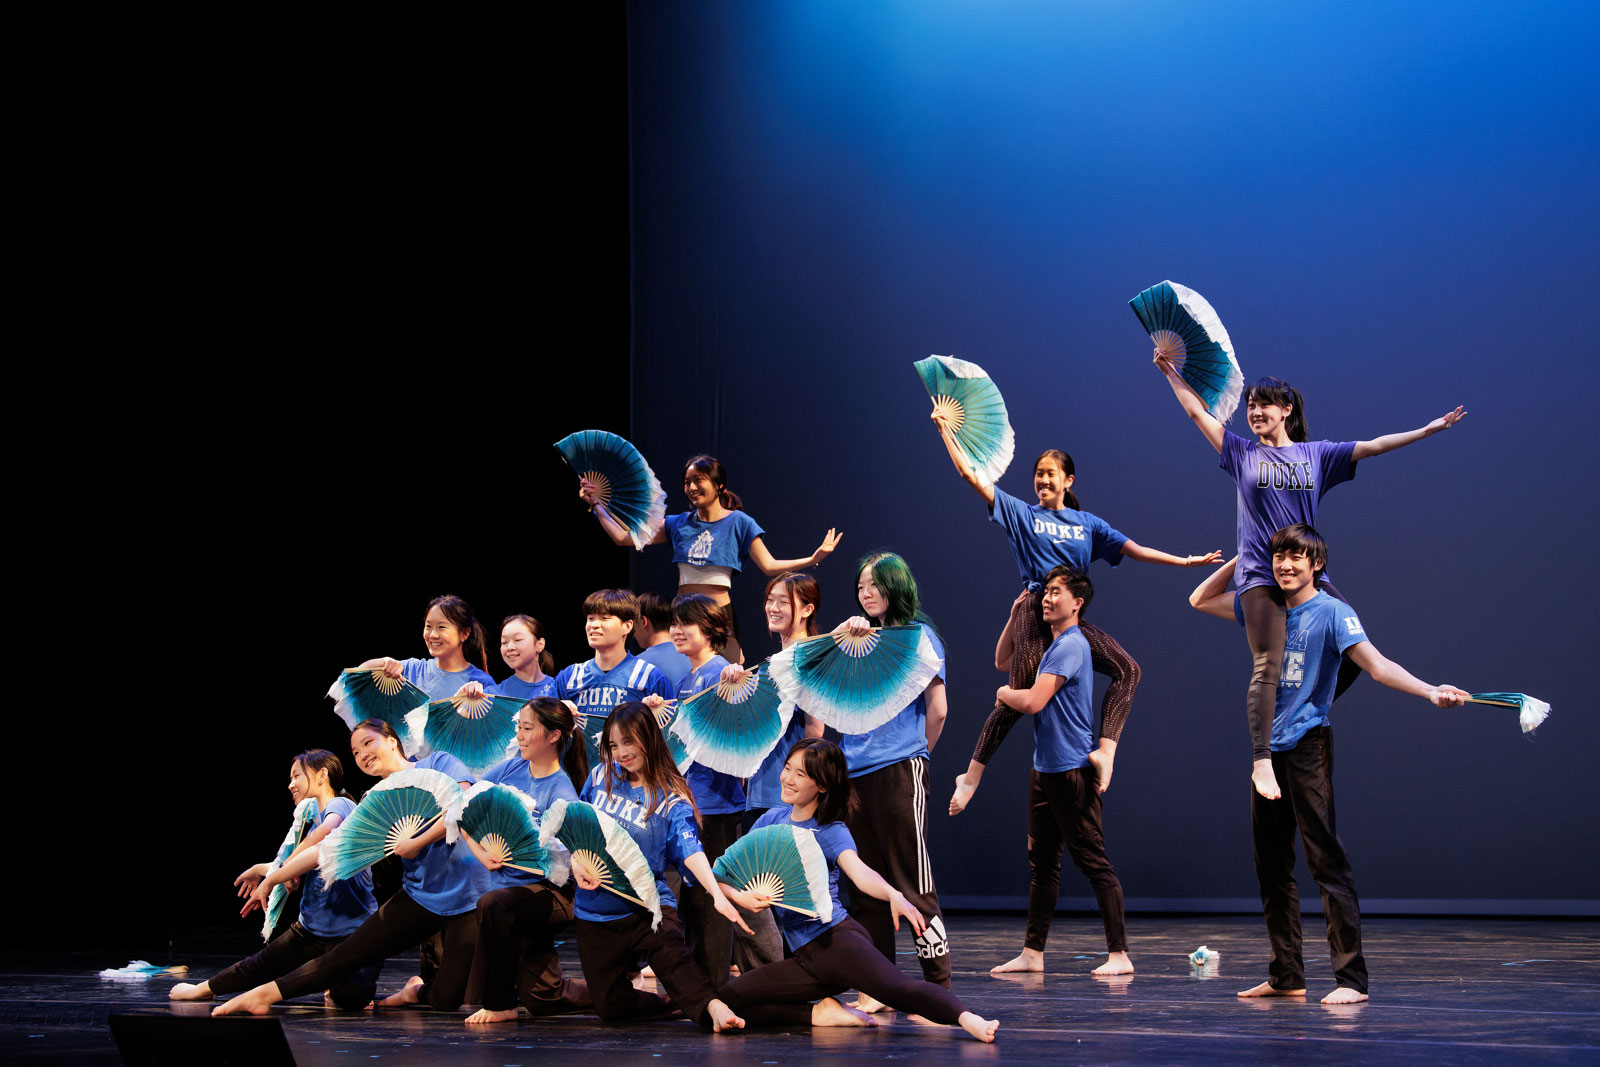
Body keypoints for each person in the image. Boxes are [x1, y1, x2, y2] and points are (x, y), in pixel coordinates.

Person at [1154, 357, 1465, 799]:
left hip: (1306, 573)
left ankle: (1297, 707)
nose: (1256, 412)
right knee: (1267, 662)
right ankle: (1262, 761)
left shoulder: (1315, 455)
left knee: (1355, 647)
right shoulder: (1242, 452)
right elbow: (1195, 412)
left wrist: (1427, 430)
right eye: (1250, 406)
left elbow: (1373, 446)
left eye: (1265, 405)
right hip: (1262, 575)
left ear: (1286, 411)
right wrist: (1170, 372)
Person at [1190, 524, 1467, 1004]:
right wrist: (1245, 553)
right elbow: (1199, 598)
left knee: (1326, 862)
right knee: (1271, 866)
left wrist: (1430, 691)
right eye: (1278, 555)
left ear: (1317, 564)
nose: (1285, 565)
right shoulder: (1263, 607)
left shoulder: (1334, 613)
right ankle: (1286, 975)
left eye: (1297, 556)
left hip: (1307, 746)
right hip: (1266, 753)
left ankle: (1351, 981)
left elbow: (1379, 666)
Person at [934, 430, 1222, 817]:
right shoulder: (1023, 513)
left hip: (1072, 616)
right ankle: (970, 776)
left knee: (1128, 669)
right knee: (1019, 693)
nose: (1043, 480)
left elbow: (1134, 550)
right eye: (1038, 473)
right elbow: (972, 477)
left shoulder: (1087, 523)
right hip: (1037, 611)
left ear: (1068, 481)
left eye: (1051, 473)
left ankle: (1105, 750)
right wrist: (947, 432)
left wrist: (1184, 562)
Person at [716, 739, 999, 1043]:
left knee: (897, 989)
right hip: (805, 959)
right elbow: (722, 874)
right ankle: (818, 1015)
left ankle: (969, 1019)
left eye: (800, 774)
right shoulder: (770, 821)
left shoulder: (829, 829)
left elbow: (859, 872)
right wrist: (738, 896)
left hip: (838, 943)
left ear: (822, 785)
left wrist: (893, 894)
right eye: (787, 768)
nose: (787, 778)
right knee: (725, 1003)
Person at [212, 721, 488, 1016]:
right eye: (356, 752)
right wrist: (274, 876)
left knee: (449, 999)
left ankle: (415, 991)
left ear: (392, 741)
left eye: (368, 743)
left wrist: (418, 841)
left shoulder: (439, 762)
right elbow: (329, 847)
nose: (362, 754)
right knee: (350, 952)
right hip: (421, 895)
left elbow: (464, 804)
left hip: (468, 895)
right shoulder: (375, 798)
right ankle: (265, 994)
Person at [571, 703, 749, 1031]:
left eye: (629, 741)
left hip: (646, 907)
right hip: (595, 911)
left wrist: (716, 894)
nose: (621, 752)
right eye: (613, 745)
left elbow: (690, 850)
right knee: (610, 1007)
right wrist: (575, 859)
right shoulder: (600, 776)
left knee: (674, 960)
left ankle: (713, 1007)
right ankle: (672, 1005)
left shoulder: (671, 797)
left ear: (649, 738)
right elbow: (578, 826)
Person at [991, 566, 1132, 976]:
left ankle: (1119, 955)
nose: (1047, 599)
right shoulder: (1051, 644)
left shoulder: (1072, 645)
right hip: (1044, 771)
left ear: (1078, 603)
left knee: (1094, 863)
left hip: (1071, 773)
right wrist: (1015, 614)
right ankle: (1032, 954)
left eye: (1056, 592)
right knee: (1043, 865)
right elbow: (1003, 659)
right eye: (1045, 593)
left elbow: (1033, 701)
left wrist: (1003, 694)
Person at [642, 595, 782, 987]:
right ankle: (702, 982)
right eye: (674, 623)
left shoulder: (723, 671)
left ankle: (714, 984)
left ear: (711, 629)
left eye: (687, 623)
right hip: (688, 803)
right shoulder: (686, 680)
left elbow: (740, 730)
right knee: (693, 899)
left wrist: (739, 687)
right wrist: (659, 712)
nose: (677, 630)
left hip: (716, 806)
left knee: (712, 899)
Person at [581, 454, 842, 662]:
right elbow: (624, 538)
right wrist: (597, 506)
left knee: (726, 678)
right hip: (683, 613)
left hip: (719, 615)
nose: (692, 487)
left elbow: (769, 565)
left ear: (719, 485)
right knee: (687, 676)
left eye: (699, 480)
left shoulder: (739, 522)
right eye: (687, 481)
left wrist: (812, 559)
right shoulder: (677, 523)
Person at [170, 751, 378, 1006]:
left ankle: (336, 984)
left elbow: (327, 834)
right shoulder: (311, 821)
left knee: (350, 999)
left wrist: (281, 873)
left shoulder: (342, 805)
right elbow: (302, 859)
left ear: (322, 775)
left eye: (296, 776)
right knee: (258, 965)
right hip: (311, 930)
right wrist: (265, 870)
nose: (291, 784)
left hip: (353, 935)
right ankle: (205, 988)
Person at [836, 552, 952, 997]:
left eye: (874, 584)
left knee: (912, 880)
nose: (865, 593)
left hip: (900, 768)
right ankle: (879, 988)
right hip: (854, 773)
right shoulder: (858, 641)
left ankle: (937, 985)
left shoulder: (917, 638)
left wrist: (915, 756)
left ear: (896, 586)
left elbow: (938, 710)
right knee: (867, 889)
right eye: (860, 586)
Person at [460, 697, 592, 1024]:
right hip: (508, 894)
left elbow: (564, 864)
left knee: (494, 904)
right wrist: (482, 853)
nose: (519, 735)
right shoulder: (510, 768)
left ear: (553, 736)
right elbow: (462, 810)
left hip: (549, 893)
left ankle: (501, 1003)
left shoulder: (562, 791)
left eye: (528, 728)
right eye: (518, 726)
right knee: (544, 997)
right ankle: (607, 991)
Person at [552, 589, 674, 767]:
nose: (593, 625)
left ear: (627, 626)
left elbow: (670, 739)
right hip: (576, 780)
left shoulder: (650, 677)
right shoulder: (569, 676)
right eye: (590, 618)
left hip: (628, 783)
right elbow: (544, 729)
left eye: (604, 618)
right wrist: (557, 712)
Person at [740, 573, 825, 825]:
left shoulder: (809, 658)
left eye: (783, 602)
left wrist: (799, 780)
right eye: (770, 600)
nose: (773, 608)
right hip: (761, 790)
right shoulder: (768, 665)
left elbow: (815, 729)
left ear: (807, 609)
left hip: (789, 795)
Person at [353, 594, 497, 702]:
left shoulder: (481, 683)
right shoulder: (412, 670)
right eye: (428, 626)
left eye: (441, 627)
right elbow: (355, 678)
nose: (433, 635)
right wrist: (384, 662)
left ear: (464, 633)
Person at [633, 591, 692, 688]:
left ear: (644, 622)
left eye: (635, 623)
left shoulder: (639, 664)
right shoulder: (692, 655)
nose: (633, 631)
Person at [493, 615, 557, 702]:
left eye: (518, 640)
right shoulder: (492, 695)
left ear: (540, 644)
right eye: (504, 642)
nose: (510, 647)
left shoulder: (559, 689)